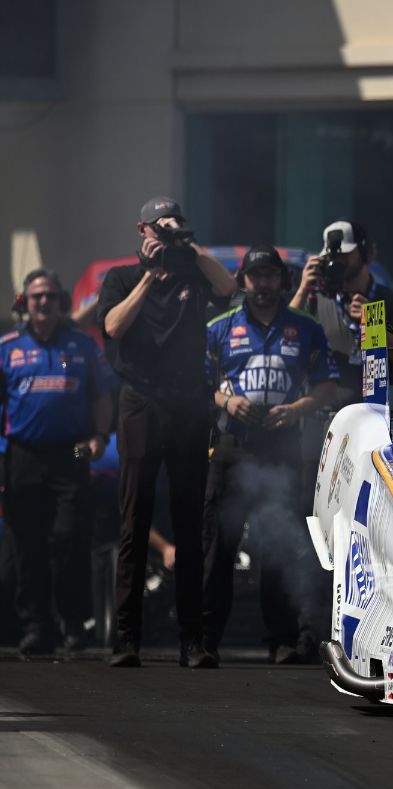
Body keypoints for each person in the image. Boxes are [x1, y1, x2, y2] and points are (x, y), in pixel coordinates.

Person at [96, 196, 238, 668]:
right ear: (142, 230)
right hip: (140, 401)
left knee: (190, 521)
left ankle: (193, 641)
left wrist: (189, 247)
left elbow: (229, 287)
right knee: (134, 520)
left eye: (174, 224)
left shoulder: (191, 271)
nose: (168, 231)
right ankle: (126, 640)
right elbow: (113, 326)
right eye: (161, 226)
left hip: (187, 403)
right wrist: (148, 276)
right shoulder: (120, 278)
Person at [204, 246, 339, 665]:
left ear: (283, 281)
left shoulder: (306, 327)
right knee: (218, 544)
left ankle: (281, 639)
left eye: (269, 276)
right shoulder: (220, 327)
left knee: (277, 542)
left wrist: (296, 409)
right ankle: (204, 640)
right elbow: (199, 384)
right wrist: (228, 402)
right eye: (254, 276)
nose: (262, 284)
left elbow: (328, 385)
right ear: (242, 280)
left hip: (281, 447)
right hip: (232, 447)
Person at [0, 270, 116, 656]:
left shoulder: (82, 346)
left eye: (50, 295)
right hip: (22, 455)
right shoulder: (7, 347)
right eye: (36, 296)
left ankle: (73, 622)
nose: (44, 302)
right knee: (26, 544)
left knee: (72, 537)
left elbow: (102, 396)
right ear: (24, 302)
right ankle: (36, 627)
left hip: (74, 452)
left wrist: (100, 437)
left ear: (61, 301)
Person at [291, 219, 393, 404]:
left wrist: (372, 322)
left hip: (377, 408)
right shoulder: (316, 299)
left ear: (366, 254)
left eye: (344, 255)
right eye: (331, 256)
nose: (337, 261)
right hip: (327, 411)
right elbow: (284, 334)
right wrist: (302, 290)